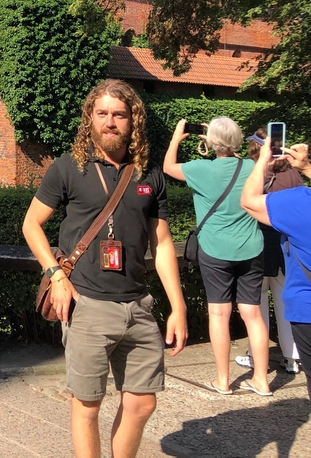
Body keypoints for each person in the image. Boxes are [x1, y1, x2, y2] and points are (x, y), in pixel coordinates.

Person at [23, 79, 187, 458]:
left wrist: (177, 307)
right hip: (87, 304)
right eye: (102, 114)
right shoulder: (68, 168)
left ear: (133, 121)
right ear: (90, 120)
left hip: (137, 305)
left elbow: (161, 244)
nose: (110, 122)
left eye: (119, 114)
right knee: (87, 404)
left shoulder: (149, 175)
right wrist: (56, 274)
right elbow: (31, 225)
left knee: (142, 402)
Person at [163, 117, 271, 396]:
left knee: (219, 314)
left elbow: (167, 168)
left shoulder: (201, 169)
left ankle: (223, 381)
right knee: (253, 314)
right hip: (251, 247)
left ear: (211, 142)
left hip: (214, 249)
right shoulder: (251, 166)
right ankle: (261, 380)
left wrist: (176, 137)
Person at [241, 139, 311, 400]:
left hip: (265, 251)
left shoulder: (301, 203)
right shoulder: (296, 182)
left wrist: (261, 161)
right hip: (287, 262)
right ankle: (292, 357)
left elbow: (248, 201)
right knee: (280, 303)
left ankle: (254, 356)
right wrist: (303, 168)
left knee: (258, 303)